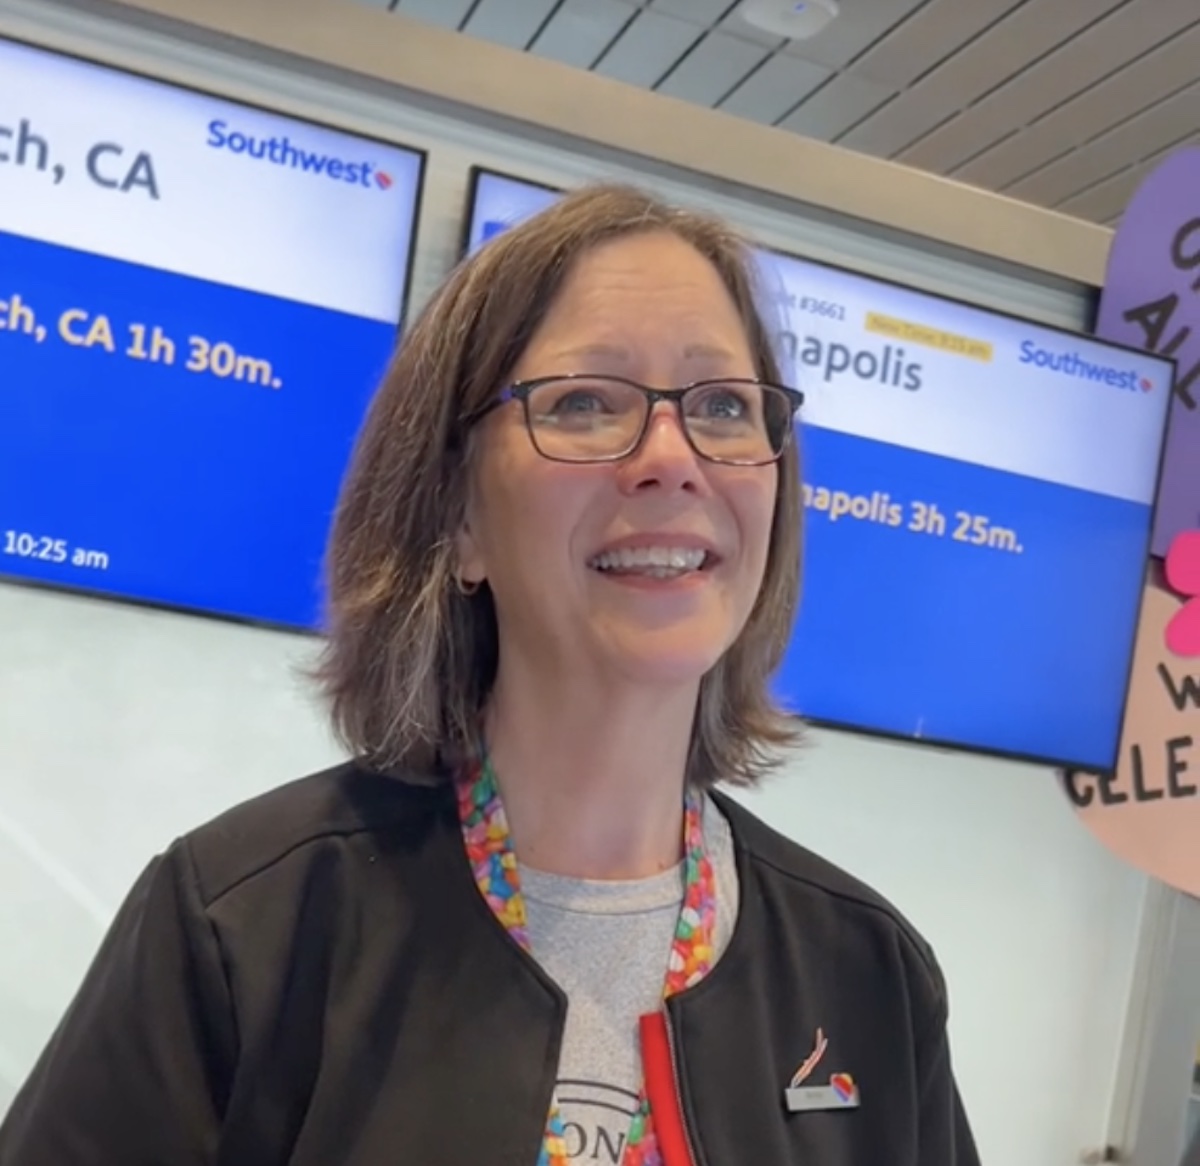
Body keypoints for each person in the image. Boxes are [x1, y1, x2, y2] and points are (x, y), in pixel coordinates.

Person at [0, 184, 979, 1166]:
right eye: (586, 402)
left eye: (723, 404)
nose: (673, 458)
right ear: (459, 517)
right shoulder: (245, 923)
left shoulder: (871, 976)